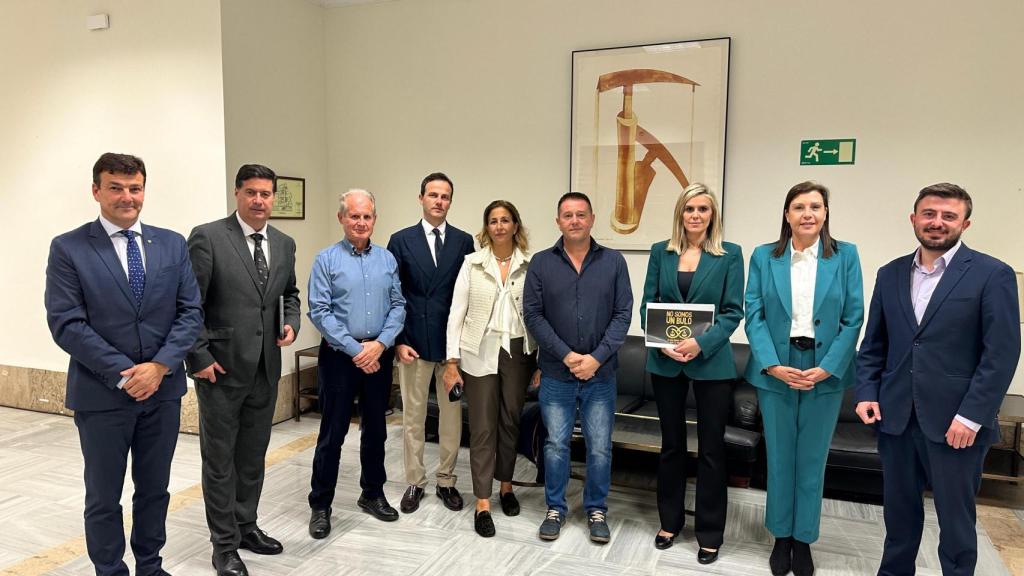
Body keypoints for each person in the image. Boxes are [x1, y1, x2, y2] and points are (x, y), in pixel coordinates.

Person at [45, 153, 203, 576]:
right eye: (115, 187)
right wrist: (125, 373)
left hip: (163, 392)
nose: (126, 196)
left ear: (144, 191)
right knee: (103, 495)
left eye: (135, 187)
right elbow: (67, 324)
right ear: (96, 191)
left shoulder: (170, 243)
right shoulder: (69, 248)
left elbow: (191, 313)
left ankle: (150, 567)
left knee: (154, 491)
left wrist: (160, 367)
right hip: (101, 396)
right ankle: (110, 570)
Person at [855, 183, 1020, 576]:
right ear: (914, 219)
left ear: (965, 223)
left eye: (948, 216)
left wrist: (972, 416)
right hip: (895, 418)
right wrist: (866, 392)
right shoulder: (890, 272)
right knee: (899, 518)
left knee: (956, 525)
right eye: (929, 214)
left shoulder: (991, 274)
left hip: (955, 425)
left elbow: (1001, 353)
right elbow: (874, 343)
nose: (937, 222)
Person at [186, 164, 301, 576]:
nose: (259, 201)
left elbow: (290, 294)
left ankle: (246, 524)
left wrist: (291, 321)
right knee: (219, 461)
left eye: (266, 194)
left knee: (252, 458)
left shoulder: (284, 244)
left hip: (266, 369)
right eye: (251, 192)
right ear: (237, 194)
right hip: (220, 369)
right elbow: (189, 303)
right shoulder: (209, 237)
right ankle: (224, 546)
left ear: (273, 198)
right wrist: (197, 357)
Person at [744, 181, 863, 576]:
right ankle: (780, 536)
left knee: (812, 460)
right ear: (787, 214)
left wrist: (829, 365)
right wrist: (772, 364)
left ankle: (804, 539)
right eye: (799, 207)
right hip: (777, 365)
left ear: (825, 213)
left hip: (823, 367)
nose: (807, 213)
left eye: (815, 206)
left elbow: (853, 317)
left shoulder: (845, 256)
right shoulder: (765, 256)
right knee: (779, 457)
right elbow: (754, 313)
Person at [639, 183, 744, 565]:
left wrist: (701, 344)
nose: (696, 215)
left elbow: (733, 311)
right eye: (689, 209)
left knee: (712, 449)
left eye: (703, 209)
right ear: (679, 214)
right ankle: (669, 522)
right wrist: (658, 341)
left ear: (712, 215)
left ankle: (710, 532)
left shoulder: (730, 255)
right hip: (666, 361)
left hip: (711, 364)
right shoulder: (660, 253)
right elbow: (648, 304)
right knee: (671, 446)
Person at [523, 192, 633, 544]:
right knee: (556, 444)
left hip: (600, 374)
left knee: (600, 446)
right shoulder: (541, 263)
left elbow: (623, 314)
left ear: (592, 219)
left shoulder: (614, 262)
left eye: (580, 214)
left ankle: (596, 509)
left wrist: (596, 357)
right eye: (567, 215)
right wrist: (568, 356)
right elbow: (534, 315)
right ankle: (555, 508)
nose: (574, 220)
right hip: (557, 373)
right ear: (558, 222)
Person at [306, 189, 406, 538]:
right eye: (354, 216)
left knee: (376, 429)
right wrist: (355, 350)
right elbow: (319, 310)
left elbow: (398, 306)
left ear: (374, 220)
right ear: (342, 218)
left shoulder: (387, 260)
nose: (361, 222)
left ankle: (372, 493)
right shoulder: (326, 260)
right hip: (339, 358)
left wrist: (379, 344)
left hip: (378, 355)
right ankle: (320, 504)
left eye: (367, 216)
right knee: (332, 433)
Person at [444, 200, 540, 538]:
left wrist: (540, 361)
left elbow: (541, 315)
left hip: (518, 351)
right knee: (483, 427)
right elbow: (457, 313)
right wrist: (451, 361)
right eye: (493, 221)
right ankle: (483, 501)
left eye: (505, 220)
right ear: (487, 228)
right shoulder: (472, 264)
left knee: (510, 421)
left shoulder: (532, 264)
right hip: (478, 352)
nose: (499, 226)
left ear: (516, 225)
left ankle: (506, 486)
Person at [386, 172, 475, 514]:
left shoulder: (464, 242)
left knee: (451, 417)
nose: (439, 201)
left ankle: (446, 481)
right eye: (433, 195)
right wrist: (397, 342)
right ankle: (415, 482)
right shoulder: (401, 240)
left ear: (451, 201)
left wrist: (461, 347)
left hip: (452, 349)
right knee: (414, 416)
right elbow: (394, 295)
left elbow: (468, 296)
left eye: (446, 196)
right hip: (414, 345)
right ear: (421, 198)